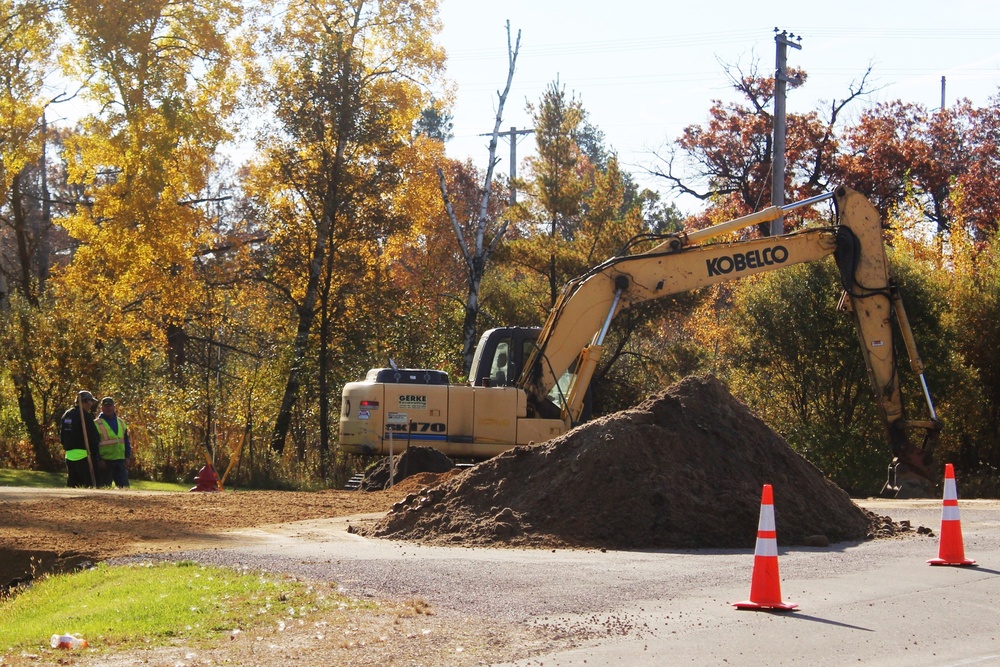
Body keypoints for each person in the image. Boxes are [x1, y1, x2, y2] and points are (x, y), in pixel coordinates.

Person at [59, 391, 102, 488]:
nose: (91, 404)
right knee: (88, 484)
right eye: (90, 401)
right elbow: (92, 436)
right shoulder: (85, 416)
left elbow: (62, 435)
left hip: (69, 455)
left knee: (73, 483)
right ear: (85, 401)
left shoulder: (67, 414)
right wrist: (95, 452)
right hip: (84, 455)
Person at [95, 396, 131, 488]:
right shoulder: (96, 423)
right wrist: (98, 459)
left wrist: (127, 456)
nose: (108, 408)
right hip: (105, 462)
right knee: (104, 489)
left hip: (120, 461)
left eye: (110, 406)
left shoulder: (121, 422)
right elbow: (93, 445)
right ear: (101, 408)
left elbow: (126, 441)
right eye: (105, 406)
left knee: (125, 488)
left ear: (114, 407)